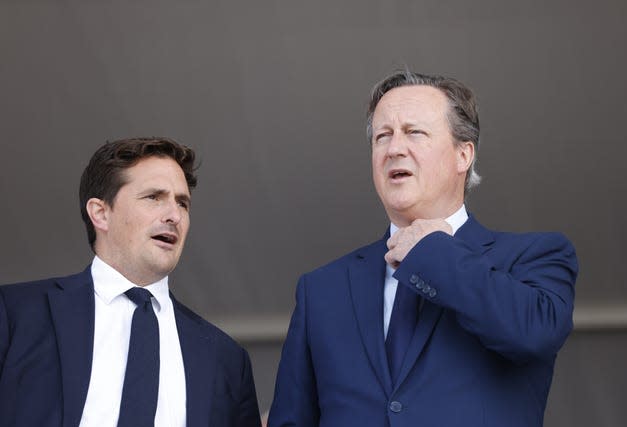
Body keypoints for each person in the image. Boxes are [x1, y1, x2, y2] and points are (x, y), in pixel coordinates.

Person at [268, 71, 578, 427]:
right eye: (382, 136)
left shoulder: (535, 257)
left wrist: (433, 251)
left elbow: (533, 334)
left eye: (414, 132)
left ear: (464, 155)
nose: (394, 149)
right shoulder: (321, 289)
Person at [0, 137, 261, 427]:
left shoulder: (225, 358)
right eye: (154, 197)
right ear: (100, 213)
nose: (174, 215)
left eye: (182, 203)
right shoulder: (15, 315)